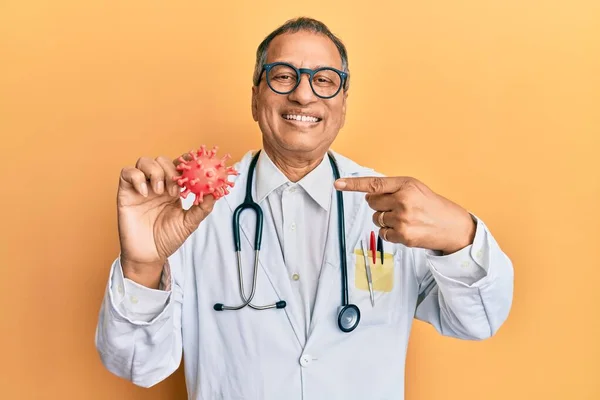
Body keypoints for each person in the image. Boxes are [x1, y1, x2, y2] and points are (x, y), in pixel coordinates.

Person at [95, 17, 514, 400]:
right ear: (256, 98)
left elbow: (476, 322)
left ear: (343, 103)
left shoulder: (398, 209)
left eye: (325, 80)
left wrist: (462, 236)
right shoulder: (189, 216)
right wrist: (142, 267)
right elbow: (137, 364)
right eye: (283, 76)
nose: (302, 93)